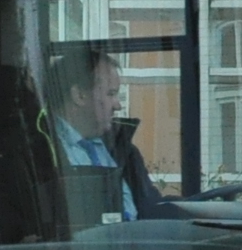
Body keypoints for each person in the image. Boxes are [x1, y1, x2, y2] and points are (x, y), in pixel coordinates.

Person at [43, 45, 172, 221]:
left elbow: (150, 208)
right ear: (79, 95)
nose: (118, 105)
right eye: (111, 94)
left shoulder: (122, 149)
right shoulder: (42, 150)